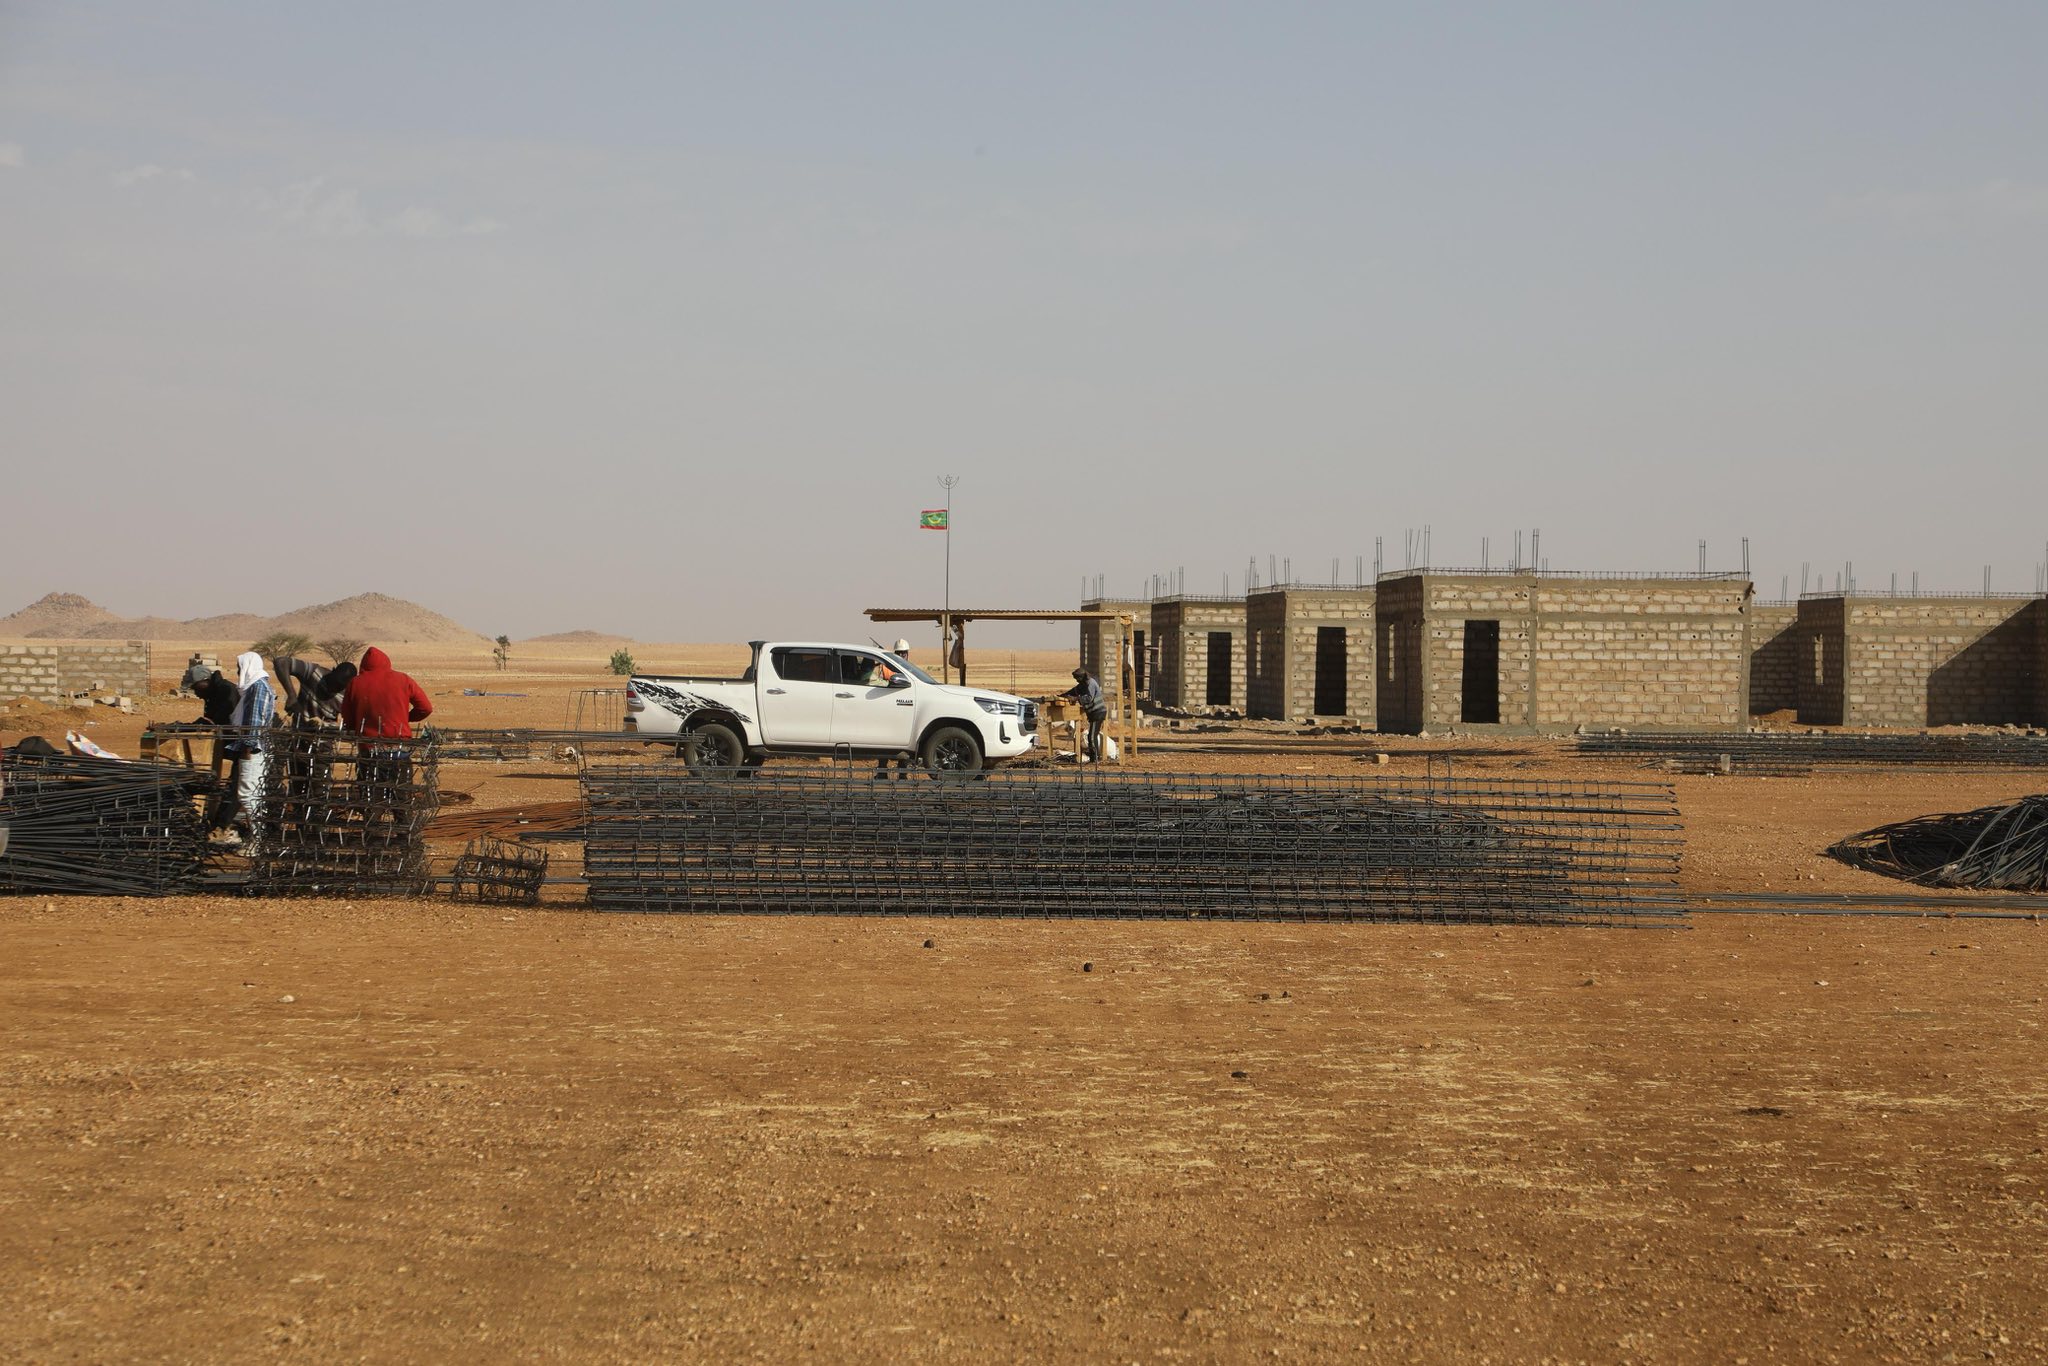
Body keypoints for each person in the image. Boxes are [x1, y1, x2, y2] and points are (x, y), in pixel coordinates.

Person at [216, 651, 276, 844]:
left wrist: (247, 750)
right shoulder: (256, 688)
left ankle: (258, 842)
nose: (237, 671)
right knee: (252, 795)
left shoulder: (258, 689)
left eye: (240, 667)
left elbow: (254, 723)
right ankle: (258, 840)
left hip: (253, 750)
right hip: (254, 748)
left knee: (248, 795)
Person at [340, 647, 433, 738]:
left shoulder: (355, 682)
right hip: (401, 741)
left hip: (368, 743)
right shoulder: (404, 679)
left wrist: (354, 726)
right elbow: (426, 708)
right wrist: (403, 718)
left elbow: (347, 713)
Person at [272, 654, 341, 726]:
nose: (331, 690)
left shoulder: (347, 694)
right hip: (298, 729)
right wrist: (291, 695)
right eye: (332, 683)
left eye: (338, 687)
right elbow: (281, 662)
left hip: (326, 734)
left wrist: (322, 724)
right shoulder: (315, 673)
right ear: (332, 672)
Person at [1059, 667, 1108, 762]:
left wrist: (1076, 699)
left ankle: (1095, 759)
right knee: (1092, 735)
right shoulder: (1082, 685)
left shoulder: (1090, 683)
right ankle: (1095, 757)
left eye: (1077, 678)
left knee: (1091, 736)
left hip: (1098, 712)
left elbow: (1089, 698)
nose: (1077, 681)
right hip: (1093, 713)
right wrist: (1064, 696)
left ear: (1082, 677)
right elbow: (1074, 691)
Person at [182, 661, 240, 726]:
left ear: (205, 680)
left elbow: (218, 722)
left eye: (196, 688)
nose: (196, 693)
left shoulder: (226, 690)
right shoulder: (211, 694)